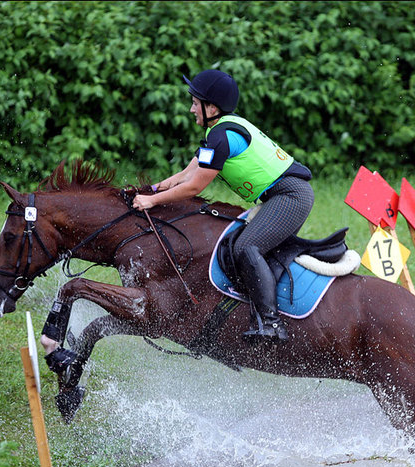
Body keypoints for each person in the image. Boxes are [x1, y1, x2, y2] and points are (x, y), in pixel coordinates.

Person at [133, 69, 314, 342]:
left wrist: (152, 202)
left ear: (211, 107)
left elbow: (194, 188)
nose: (191, 108)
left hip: (291, 197)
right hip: (283, 195)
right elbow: (185, 175)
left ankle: (271, 323)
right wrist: (153, 189)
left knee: (246, 247)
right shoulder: (216, 132)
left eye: (195, 103)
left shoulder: (221, 138)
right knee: (236, 243)